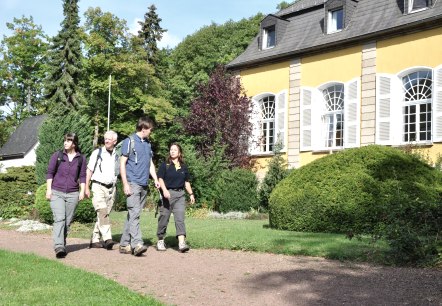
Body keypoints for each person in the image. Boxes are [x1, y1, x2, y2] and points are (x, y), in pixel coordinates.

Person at [119, 116, 160, 256]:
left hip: (144, 184)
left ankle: (124, 244)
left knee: (133, 214)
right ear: (143, 128)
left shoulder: (148, 143)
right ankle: (137, 244)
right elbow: (122, 163)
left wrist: (155, 179)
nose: (151, 132)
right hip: (132, 183)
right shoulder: (129, 141)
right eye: (150, 130)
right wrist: (125, 183)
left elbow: (150, 164)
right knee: (135, 213)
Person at [46, 132, 87, 258]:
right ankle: (59, 246)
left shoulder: (81, 158)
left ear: (74, 143)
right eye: (65, 140)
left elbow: (83, 176)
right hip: (57, 192)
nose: (65, 143)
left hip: (73, 194)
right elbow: (50, 173)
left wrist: (82, 190)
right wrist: (48, 190)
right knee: (59, 219)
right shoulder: (57, 155)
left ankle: (61, 244)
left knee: (67, 221)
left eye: (68, 141)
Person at [156, 142, 195, 253]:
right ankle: (160, 240)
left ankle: (181, 243)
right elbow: (160, 179)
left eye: (175, 150)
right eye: (171, 149)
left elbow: (186, 182)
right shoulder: (165, 165)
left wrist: (191, 194)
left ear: (179, 153)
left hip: (180, 195)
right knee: (164, 218)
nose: (172, 151)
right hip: (167, 194)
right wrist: (164, 190)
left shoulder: (183, 166)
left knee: (180, 218)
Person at [85, 130, 118, 250]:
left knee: (103, 214)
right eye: (105, 138)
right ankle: (108, 238)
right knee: (102, 212)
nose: (107, 140)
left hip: (112, 188)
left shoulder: (117, 154)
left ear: (115, 141)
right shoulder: (97, 153)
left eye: (109, 138)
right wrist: (86, 187)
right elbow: (89, 170)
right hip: (98, 186)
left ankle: (94, 239)